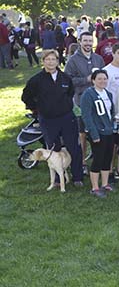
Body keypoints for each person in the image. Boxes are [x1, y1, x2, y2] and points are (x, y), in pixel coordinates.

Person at [21, 49, 83, 187]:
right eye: (47, 59)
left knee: (74, 147)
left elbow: (70, 93)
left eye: (53, 59)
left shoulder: (65, 78)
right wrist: (37, 110)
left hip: (67, 118)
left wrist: (64, 105)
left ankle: (77, 176)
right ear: (43, 61)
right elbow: (26, 97)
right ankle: (56, 180)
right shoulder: (36, 80)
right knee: (53, 149)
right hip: (48, 119)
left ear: (57, 61)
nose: (51, 62)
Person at [65, 31, 105, 170]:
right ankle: (82, 163)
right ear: (80, 42)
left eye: (90, 41)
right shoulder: (73, 60)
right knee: (82, 134)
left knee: (99, 131)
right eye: (85, 41)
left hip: (98, 100)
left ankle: (99, 161)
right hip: (81, 100)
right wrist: (86, 80)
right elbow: (68, 80)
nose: (88, 43)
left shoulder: (98, 59)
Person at [80, 69, 116, 197]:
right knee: (98, 159)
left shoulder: (108, 94)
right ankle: (94, 187)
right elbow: (86, 116)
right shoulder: (88, 94)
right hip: (98, 132)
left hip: (109, 131)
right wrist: (94, 134)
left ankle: (105, 183)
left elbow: (111, 112)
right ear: (93, 80)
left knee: (107, 158)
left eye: (105, 79)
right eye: (99, 79)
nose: (102, 81)